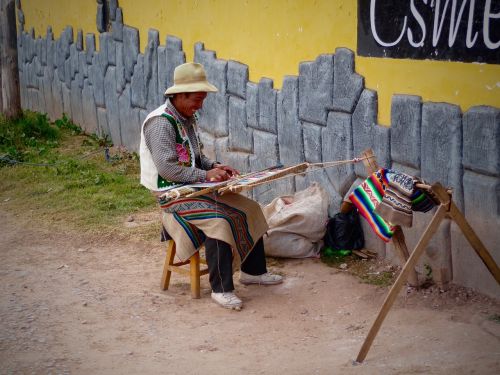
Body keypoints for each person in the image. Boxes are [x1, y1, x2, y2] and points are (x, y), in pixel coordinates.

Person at [140, 62, 282, 310]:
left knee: (250, 207)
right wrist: (206, 174)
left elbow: (196, 156)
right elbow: (168, 169)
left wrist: (216, 166)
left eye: (202, 99)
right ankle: (221, 289)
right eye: (196, 99)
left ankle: (253, 272)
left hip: (192, 186)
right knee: (219, 219)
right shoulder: (161, 123)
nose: (200, 105)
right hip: (171, 194)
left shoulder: (185, 117)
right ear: (179, 95)